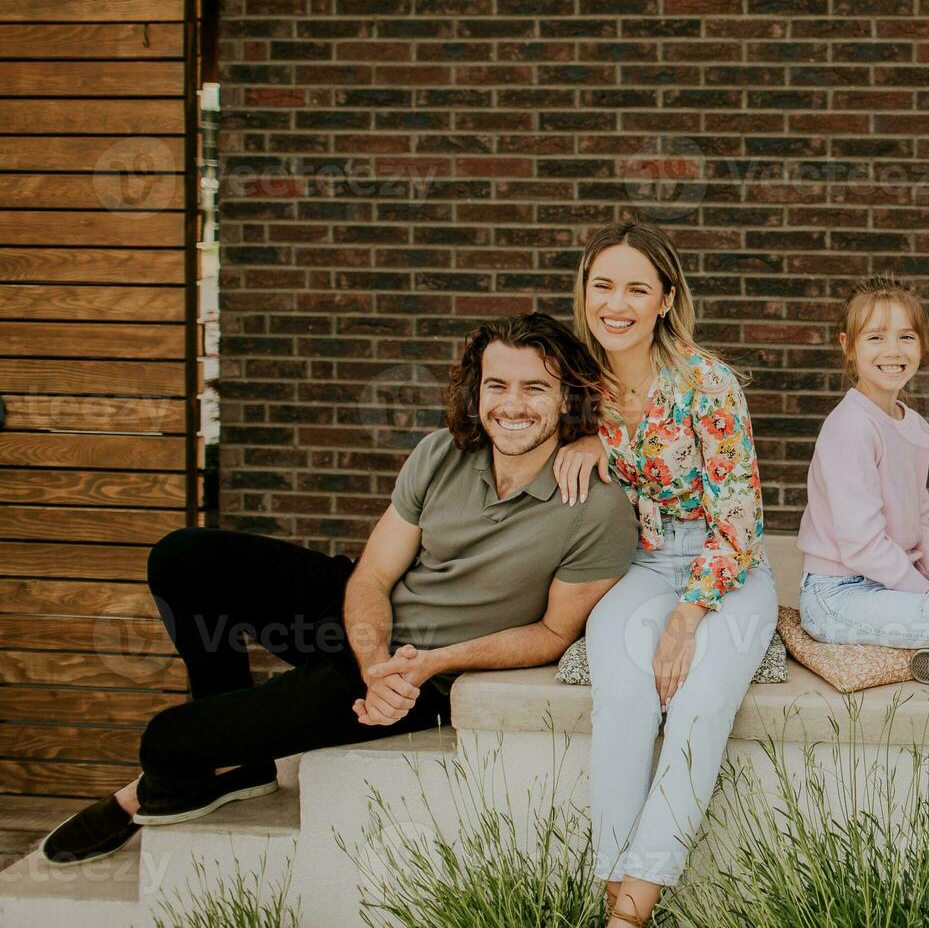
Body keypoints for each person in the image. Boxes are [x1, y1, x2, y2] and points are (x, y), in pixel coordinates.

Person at [40, 313, 635, 866]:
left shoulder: (596, 506)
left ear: (569, 397)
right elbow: (373, 574)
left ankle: (151, 786)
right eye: (496, 385)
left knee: (165, 740)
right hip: (368, 637)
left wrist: (419, 667)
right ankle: (242, 767)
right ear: (475, 390)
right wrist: (373, 657)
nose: (511, 405)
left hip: (423, 677)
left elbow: (555, 633)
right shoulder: (443, 452)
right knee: (184, 557)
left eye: (534, 388)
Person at [551, 219, 777, 928]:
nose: (615, 303)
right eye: (602, 285)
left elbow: (739, 518)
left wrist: (689, 617)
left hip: (724, 564)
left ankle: (631, 911)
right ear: (585, 292)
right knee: (621, 699)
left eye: (635, 289)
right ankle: (612, 884)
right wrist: (586, 433)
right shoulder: (575, 383)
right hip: (638, 564)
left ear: (663, 299)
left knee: (698, 706)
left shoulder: (704, 381)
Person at [795, 276, 929, 693]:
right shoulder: (849, 427)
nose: (893, 351)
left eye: (906, 336)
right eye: (875, 337)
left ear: (921, 345)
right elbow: (860, 544)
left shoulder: (915, 426)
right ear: (848, 347)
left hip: (894, 576)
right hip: (839, 597)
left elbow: (919, 524)